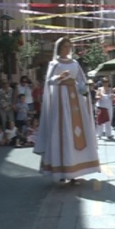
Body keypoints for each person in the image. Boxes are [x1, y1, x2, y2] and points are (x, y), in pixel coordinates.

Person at [33, 37, 100, 184]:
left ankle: (75, 171)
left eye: (69, 46)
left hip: (74, 100)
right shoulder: (54, 63)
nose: (68, 49)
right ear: (59, 48)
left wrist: (86, 86)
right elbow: (48, 82)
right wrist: (59, 77)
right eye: (65, 46)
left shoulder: (75, 63)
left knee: (76, 132)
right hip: (59, 101)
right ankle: (61, 171)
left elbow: (81, 81)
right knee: (61, 133)